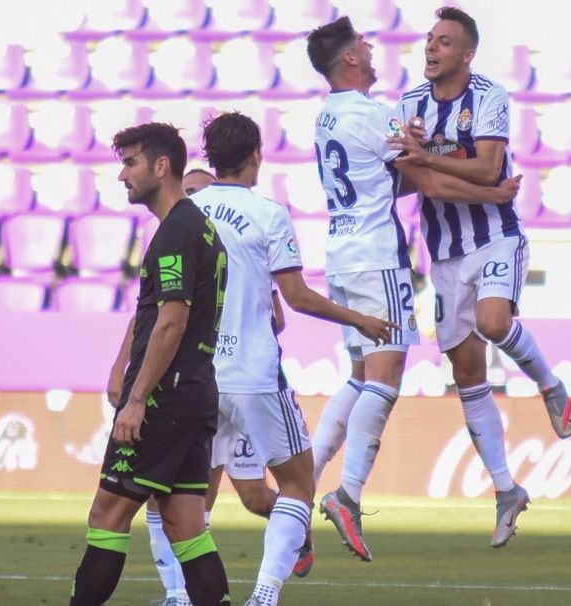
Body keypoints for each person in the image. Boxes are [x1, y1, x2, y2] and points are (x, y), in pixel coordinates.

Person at [305, 16, 523, 561]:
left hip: (339, 253)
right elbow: (422, 178)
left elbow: (396, 175)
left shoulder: (327, 115)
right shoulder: (377, 115)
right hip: (377, 257)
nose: (371, 48)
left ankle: (300, 485)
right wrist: (492, 197)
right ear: (349, 60)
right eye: (362, 45)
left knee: (358, 375)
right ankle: (348, 494)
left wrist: (417, 154)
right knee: (386, 375)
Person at [191, 111, 397, 606]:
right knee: (297, 484)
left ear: (211, 158)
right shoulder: (268, 214)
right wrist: (361, 321)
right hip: (254, 373)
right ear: (256, 155)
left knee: (193, 494)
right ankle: (263, 595)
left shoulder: (188, 211)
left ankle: (181, 593)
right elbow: (298, 297)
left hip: (199, 374)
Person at [391, 6, 571, 547]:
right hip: (444, 255)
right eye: (430, 39)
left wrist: (430, 157)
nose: (431, 48)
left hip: (496, 238)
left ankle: (549, 383)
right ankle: (505, 489)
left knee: (495, 323)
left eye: (444, 42)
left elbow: (489, 166)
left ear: (466, 53)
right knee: (468, 376)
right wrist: (443, 168)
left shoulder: (490, 97)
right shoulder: (409, 105)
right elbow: (423, 183)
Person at [69, 122, 230, 606]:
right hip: (197, 390)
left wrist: (138, 398)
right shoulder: (197, 228)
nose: (122, 175)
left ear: (162, 166)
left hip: (167, 396)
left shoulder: (177, 232)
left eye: (131, 162)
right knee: (185, 523)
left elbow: (170, 324)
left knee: (107, 513)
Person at [130, 168, 278, 606]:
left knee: (252, 498)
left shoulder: (221, 248)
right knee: (181, 499)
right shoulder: (174, 244)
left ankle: (292, 524)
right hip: (200, 385)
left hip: (220, 383)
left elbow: (279, 316)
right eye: (190, 192)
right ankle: (179, 593)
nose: (193, 202)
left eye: (200, 193)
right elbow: (149, 314)